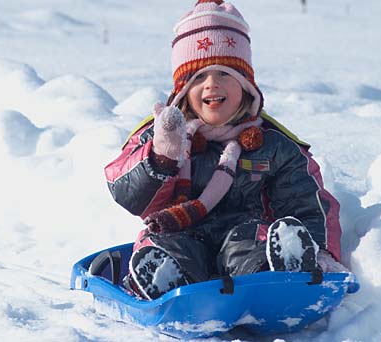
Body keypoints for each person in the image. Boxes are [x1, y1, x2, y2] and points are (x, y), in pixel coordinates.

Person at [104, 0, 346, 300]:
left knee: (253, 242)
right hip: (179, 232)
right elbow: (125, 191)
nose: (211, 85)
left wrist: (320, 251)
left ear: (245, 85)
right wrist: (162, 157)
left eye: (224, 74)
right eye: (198, 77)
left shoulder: (273, 144)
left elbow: (306, 202)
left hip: (245, 238)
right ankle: (161, 279)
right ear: (182, 91)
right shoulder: (163, 133)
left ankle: (279, 272)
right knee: (166, 245)